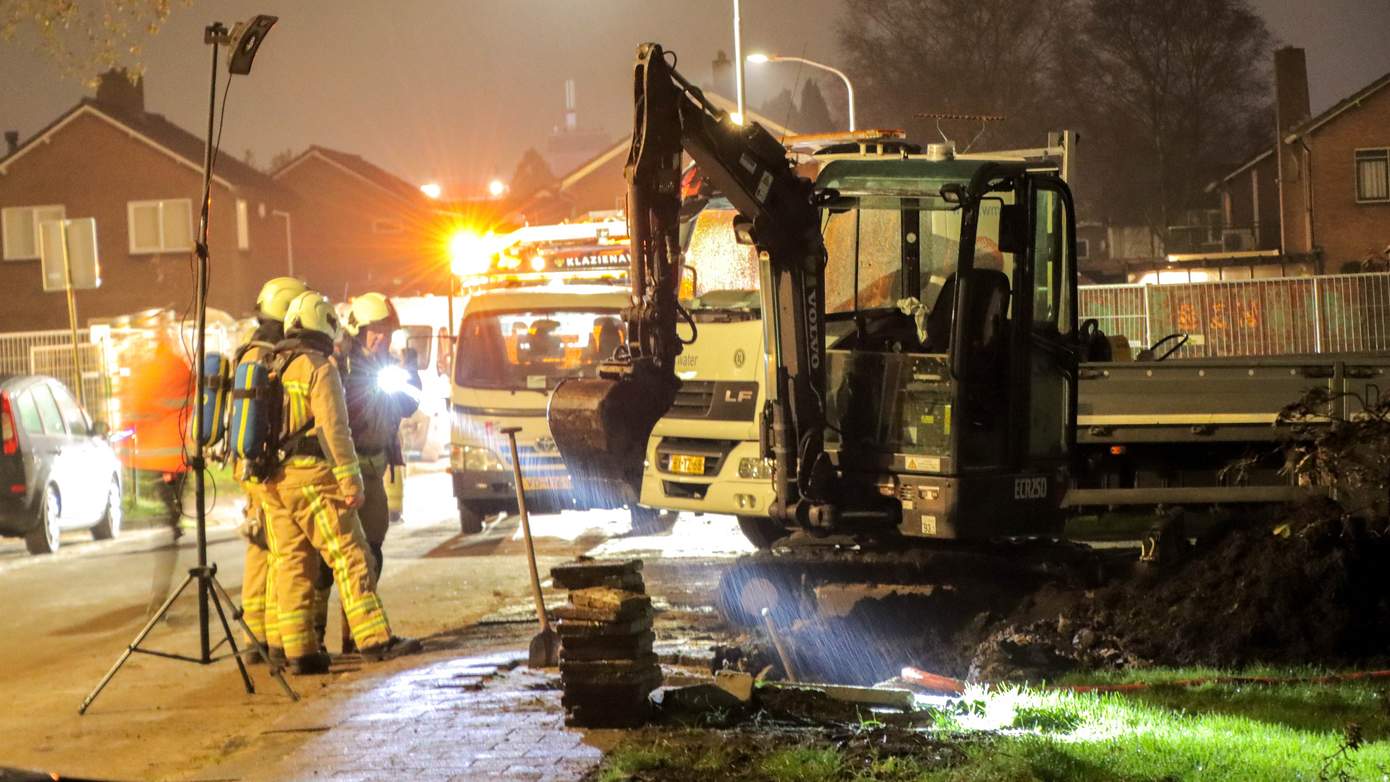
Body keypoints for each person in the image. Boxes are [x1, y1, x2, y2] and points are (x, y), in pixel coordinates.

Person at [258, 290, 420, 674]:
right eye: (376, 330)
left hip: (275, 480)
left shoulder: (275, 363)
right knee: (351, 554)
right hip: (313, 475)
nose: (382, 337)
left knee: (294, 563)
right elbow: (335, 429)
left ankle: (300, 652)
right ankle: (373, 640)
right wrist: (350, 484)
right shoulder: (321, 367)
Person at [311, 292, 421, 653]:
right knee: (331, 562)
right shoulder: (339, 366)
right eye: (376, 331)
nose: (382, 338)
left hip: (374, 469)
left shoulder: (386, 365)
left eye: (387, 331)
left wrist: (412, 372)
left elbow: (406, 405)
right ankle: (312, 635)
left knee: (371, 552)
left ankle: (353, 635)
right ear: (358, 330)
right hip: (345, 472)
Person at [235, 276, 307, 665]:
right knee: (282, 551)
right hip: (265, 466)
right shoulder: (271, 356)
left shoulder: (248, 350)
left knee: (260, 550)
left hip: (246, 466)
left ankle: (256, 637)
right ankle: (279, 642)